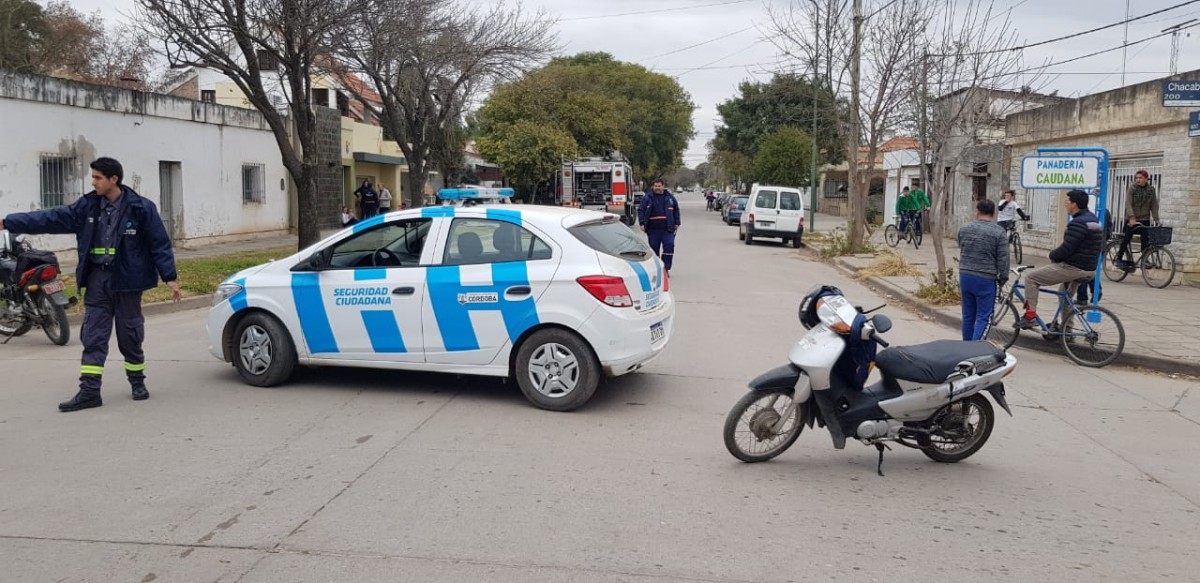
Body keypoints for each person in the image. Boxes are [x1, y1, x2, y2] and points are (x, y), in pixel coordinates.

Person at [0, 157, 180, 412]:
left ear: (113, 180)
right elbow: (50, 218)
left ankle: (137, 382)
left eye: (97, 178)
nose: (93, 182)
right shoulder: (87, 207)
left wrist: (169, 277)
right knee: (93, 335)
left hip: (128, 281)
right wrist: (8, 222)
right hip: (97, 280)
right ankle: (89, 391)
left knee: (130, 334)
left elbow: (159, 243)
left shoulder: (140, 208)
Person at [1019, 189, 1105, 328]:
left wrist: (1053, 255)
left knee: (1031, 278)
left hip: (1074, 268)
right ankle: (1067, 330)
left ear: (1074, 204)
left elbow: (1067, 249)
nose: (1065, 204)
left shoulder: (1077, 224)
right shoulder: (1093, 220)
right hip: (1088, 269)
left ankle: (1030, 316)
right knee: (1064, 295)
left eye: (1067, 202)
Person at [956, 199, 1008, 341]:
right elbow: (1003, 259)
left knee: (968, 315)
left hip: (965, 275)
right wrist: (1003, 278)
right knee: (984, 317)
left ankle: (966, 346)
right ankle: (975, 349)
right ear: (993, 213)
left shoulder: (964, 228)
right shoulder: (999, 232)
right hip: (986, 278)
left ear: (977, 211)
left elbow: (961, 246)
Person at [1114, 169, 1160, 272]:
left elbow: (1154, 205)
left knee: (1146, 239)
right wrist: (1131, 217)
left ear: (1146, 179)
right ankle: (1119, 258)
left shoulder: (1151, 190)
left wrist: (1157, 219)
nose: (1138, 180)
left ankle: (1145, 258)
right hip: (1132, 219)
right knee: (1126, 238)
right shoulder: (1132, 188)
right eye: (1137, 178)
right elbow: (1128, 204)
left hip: (1144, 219)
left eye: (1140, 178)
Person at [638, 179, 681, 274]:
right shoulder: (647, 198)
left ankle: (665, 268)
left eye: (659, 186)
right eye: (655, 186)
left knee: (669, 246)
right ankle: (656, 269)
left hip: (668, 228)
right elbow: (641, 210)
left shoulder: (670, 197)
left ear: (663, 186)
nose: (657, 188)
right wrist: (642, 223)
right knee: (654, 249)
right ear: (653, 187)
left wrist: (677, 222)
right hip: (652, 229)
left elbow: (676, 210)